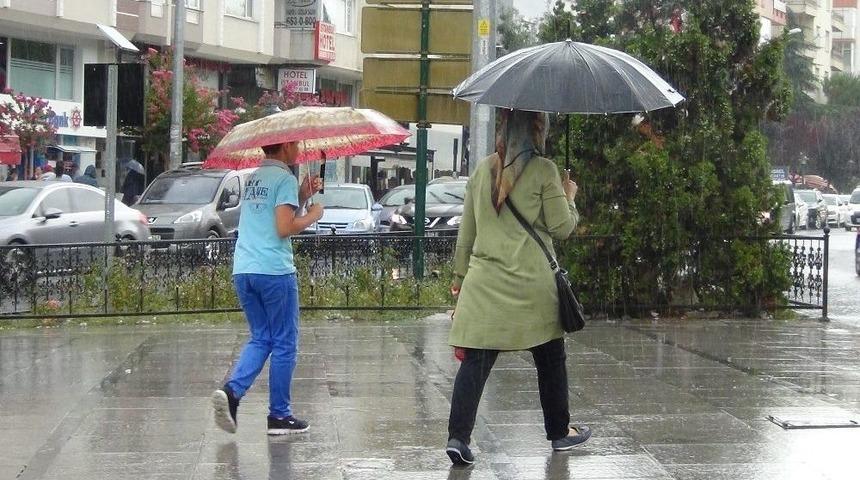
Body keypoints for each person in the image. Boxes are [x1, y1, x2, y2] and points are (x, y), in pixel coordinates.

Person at [445, 110, 590, 465]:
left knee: (476, 361)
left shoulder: (482, 171)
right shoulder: (544, 170)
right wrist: (569, 196)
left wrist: (459, 280)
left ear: (504, 130)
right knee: (550, 358)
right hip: (533, 286)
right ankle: (559, 432)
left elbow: (467, 233)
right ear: (537, 132)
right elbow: (562, 228)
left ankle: (458, 438)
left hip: (485, 284)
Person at [212, 141, 324, 436]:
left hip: (245, 269)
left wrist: (302, 195)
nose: (298, 148)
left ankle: (232, 392)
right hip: (274, 270)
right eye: (295, 144)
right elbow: (284, 228)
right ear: (285, 145)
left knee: (262, 337)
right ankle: (279, 415)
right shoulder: (284, 178)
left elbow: (269, 216)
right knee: (285, 342)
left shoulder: (254, 178)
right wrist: (313, 215)